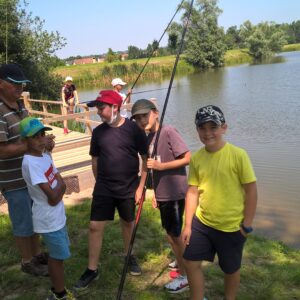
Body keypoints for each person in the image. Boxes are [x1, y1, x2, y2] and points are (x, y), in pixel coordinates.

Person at [73, 90, 148, 294]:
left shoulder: (134, 129)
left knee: (127, 223)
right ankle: (91, 269)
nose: (98, 111)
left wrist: (141, 187)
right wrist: (100, 184)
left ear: (115, 108)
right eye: (97, 107)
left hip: (129, 187)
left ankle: (128, 256)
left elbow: (145, 158)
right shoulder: (98, 133)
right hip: (104, 187)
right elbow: (95, 160)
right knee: (94, 226)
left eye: (101, 107)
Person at [182, 105, 257, 300]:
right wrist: (188, 224)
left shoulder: (238, 155)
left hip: (231, 226)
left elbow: (251, 191)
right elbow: (192, 191)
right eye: (202, 128)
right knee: (190, 262)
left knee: (230, 269)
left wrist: (247, 224)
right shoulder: (197, 157)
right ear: (197, 130)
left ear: (224, 127)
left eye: (212, 127)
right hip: (202, 223)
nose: (207, 133)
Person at [131, 99, 191, 293]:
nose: (141, 121)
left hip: (175, 192)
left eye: (144, 115)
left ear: (155, 113)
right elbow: (150, 170)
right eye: (137, 118)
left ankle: (186, 275)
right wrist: (155, 192)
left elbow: (187, 158)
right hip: (163, 193)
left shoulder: (168, 131)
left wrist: (161, 166)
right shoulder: (149, 137)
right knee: (170, 234)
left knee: (175, 235)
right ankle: (181, 260)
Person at [0, 63, 54, 276]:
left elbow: (31, 136)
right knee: (23, 220)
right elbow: (1, 150)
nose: (19, 87)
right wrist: (31, 145)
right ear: (1, 84)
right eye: (14, 83)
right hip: (13, 180)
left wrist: (43, 140)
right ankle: (27, 261)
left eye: (21, 83)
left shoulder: (20, 106)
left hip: (30, 176)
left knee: (35, 215)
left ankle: (38, 254)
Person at [20, 117, 74, 300]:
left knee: (58, 256)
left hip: (57, 215)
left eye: (42, 134)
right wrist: (59, 191)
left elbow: (63, 184)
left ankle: (55, 290)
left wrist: (59, 191)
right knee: (58, 258)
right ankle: (60, 294)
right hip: (48, 219)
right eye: (35, 136)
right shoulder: (29, 162)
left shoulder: (44, 156)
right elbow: (51, 196)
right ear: (24, 141)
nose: (41, 139)